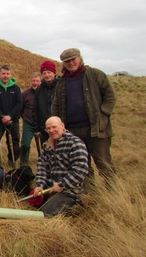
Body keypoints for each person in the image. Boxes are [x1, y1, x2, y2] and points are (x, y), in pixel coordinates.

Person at [51, 48, 117, 189]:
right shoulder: (62, 82)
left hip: (96, 129)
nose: (70, 63)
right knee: (81, 166)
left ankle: (115, 194)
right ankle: (89, 195)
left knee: (104, 163)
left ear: (80, 58)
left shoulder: (95, 74)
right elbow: (56, 105)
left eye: (73, 59)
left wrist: (103, 115)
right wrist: (58, 125)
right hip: (72, 131)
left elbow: (110, 96)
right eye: (66, 61)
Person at [33, 116, 89, 216]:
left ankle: (73, 208)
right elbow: (42, 167)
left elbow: (81, 169)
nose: (51, 130)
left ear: (62, 126)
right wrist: (40, 185)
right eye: (48, 128)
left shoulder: (75, 143)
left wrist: (62, 185)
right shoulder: (47, 145)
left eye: (54, 127)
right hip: (49, 189)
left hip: (68, 191)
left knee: (45, 214)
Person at [0, 64, 22, 168]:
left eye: (7, 74)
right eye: (3, 73)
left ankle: (12, 162)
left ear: (11, 74)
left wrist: (10, 116)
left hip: (13, 121)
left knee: (14, 143)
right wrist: (2, 117)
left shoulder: (16, 88)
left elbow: (19, 103)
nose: (5, 76)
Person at [33, 60, 60, 144]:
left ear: (54, 72)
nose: (47, 75)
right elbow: (35, 109)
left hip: (59, 127)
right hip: (45, 128)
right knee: (47, 151)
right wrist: (36, 128)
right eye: (44, 73)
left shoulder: (61, 86)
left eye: (49, 72)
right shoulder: (39, 90)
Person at [19, 72, 41, 165]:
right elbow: (20, 108)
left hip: (42, 124)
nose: (35, 83)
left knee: (46, 145)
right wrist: (25, 117)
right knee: (25, 144)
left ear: (41, 81)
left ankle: (44, 162)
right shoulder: (25, 94)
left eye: (37, 81)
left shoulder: (44, 93)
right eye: (33, 81)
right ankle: (24, 164)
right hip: (28, 123)